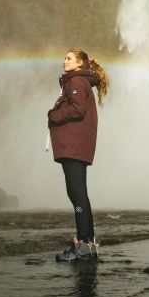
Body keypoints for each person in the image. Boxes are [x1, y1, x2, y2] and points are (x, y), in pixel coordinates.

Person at [48, 48, 108, 262]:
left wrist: (53, 115)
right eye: (64, 57)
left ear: (80, 63)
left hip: (73, 145)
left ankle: (84, 245)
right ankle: (88, 243)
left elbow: (77, 109)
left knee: (77, 194)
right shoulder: (78, 82)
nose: (64, 61)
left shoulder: (76, 82)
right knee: (78, 194)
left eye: (69, 58)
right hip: (75, 145)